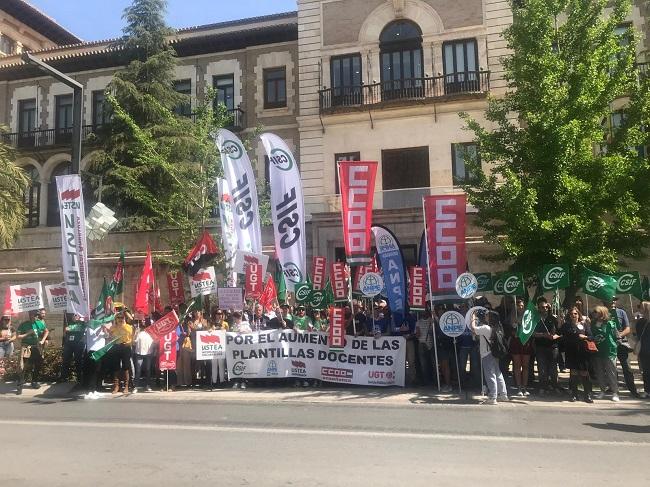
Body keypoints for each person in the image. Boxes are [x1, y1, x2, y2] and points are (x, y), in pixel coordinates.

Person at [469, 309, 508, 404]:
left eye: (487, 315)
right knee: (498, 374)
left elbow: (473, 328)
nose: (485, 316)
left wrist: (473, 319)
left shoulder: (486, 328)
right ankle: (503, 395)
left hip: (487, 354)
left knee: (490, 375)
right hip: (495, 353)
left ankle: (492, 397)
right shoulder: (498, 328)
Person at [606, 297, 639, 397]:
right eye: (610, 300)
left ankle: (632, 390)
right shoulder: (603, 312)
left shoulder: (621, 312)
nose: (612, 302)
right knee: (612, 368)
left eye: (614, 300)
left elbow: (628, 328)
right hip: (609, 344)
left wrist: (619, 335)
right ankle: (613, 388)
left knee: (627, 368)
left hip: (622, 343)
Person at [560, 307, 594, 403]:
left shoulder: (584, 325)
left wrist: (585, 336)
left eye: (575, 314)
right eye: (572, 314)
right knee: (573, 373)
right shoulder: (566, 325)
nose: (573, 315)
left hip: (583, 351)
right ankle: (574, 394)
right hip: (571, 351)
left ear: (578, 314)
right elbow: (561, 334)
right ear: (569, 315)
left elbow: (591, 337)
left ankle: (587, 395)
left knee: (584, 373)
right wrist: (560, 323)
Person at [15, 309, 49, 394]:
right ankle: (20, 384)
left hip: (36, 347)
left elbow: (46, 331)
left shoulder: (40, 323)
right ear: (30, 315)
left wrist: (43, 340)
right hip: (26, 347)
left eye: (37, 315)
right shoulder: (24, 324)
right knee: (22, 365)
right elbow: (18, 337)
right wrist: (28, 333)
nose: (36, 316)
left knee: (38, 364)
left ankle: (34, 381)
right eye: (34, 315)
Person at [590, 306, 620, 401]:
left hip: (609, 351)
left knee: (611, 372)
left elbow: (617, 336)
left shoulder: (610, 324)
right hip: (597, 351)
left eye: (596, 311)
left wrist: (615, 346)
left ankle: (615, 392)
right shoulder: (593, 323)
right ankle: (602, 390)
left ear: (602, 313)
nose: (594, 313)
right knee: (599, 372)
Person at [532, 296, 561, 395]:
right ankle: (542, 387)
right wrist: (543, 335)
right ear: (538, 308)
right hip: (540, 347)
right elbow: (532, 333)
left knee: (553, 369)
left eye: (545, 307)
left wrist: (554, 337)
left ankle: (555, 386)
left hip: (553, 347)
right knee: (542, 369)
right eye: (541, 307)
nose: (543, 309)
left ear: (548, 307)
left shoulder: (553, 318)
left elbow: (560, 332)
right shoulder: (535, 319)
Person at [509, 298, 533, 397]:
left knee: (526, 366)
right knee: (517, 365)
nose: (520, 307)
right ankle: (519, 387)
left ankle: (524, 387)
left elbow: (531, 330)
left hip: (526, 343)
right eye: (519, 306)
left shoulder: (528, 318)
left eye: (522, 306)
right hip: (516, 343)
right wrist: (514, 327)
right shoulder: (512, 317)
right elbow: (510, 331)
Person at [108, 312, 133, 394]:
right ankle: (116, 386)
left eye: (122, 317)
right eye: (118, 317)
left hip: (126, 347)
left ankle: (126, 386)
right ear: (116, 319)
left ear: (124, 319)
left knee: (126, 366)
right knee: (115, 366)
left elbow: (133, 338)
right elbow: (109, 338)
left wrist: (130, 343)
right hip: (116, 347)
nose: (120, 319)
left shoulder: (129, 327)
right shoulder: (112, 327)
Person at [82, 320, 108, 396]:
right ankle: (90, 391)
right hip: (93, 351)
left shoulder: (102, 328)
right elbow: (95, 335)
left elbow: (106, 336)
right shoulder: (89, 328)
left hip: (100, 352)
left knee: (97, 371)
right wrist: (101, 328)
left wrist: (105, 330)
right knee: (92, 372)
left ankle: (94, 389)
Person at [59, 313, 86, 384]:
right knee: (65, 361)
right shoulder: (69, 323)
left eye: (76, 315)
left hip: (78, 344)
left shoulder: (82, 323)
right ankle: (63, 377)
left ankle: (79, 378)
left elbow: (81, 330)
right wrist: (65, 330)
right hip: (69, 344)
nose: (74, 316)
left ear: (79, 316)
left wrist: (71, 329)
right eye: (73, 315)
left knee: (78, 361)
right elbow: (64, 334)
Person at [231, 311, 251, 389]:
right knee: (236, 364)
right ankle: (236, 381)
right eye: (235, 318)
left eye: (236, 318)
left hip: (244, 347)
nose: (236, 320)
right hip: (236, 348)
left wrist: (244, 332)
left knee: (243, 364)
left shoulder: (246, 324)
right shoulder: (234, 325)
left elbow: (250, 332)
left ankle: (243, 381)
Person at [133, 321, 155, 392]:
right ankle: (136, 386)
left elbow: (155, 342)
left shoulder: (151, 333)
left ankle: (148, 385)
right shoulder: (139, 333)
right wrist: (135, 333)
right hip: (139, 354)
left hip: (148, 354)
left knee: (148, 370)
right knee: (138, 371)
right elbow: (134, 341)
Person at [634, 302, 650, 398]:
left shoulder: (640, 322)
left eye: (640, 307)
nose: (639, 309)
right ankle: (647, 390)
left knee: (646, 371)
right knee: (646, 371)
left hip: (644, 350)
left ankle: (647, 390)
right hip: (644, 350)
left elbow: (636, 334)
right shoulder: (640, 322)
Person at [210, 310, 229, 388]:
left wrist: (223, 330)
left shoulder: (225, 324)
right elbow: (207, 332)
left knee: (221, 365)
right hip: (213, 347)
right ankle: (214, 382)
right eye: (217, 313)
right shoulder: (211, 324)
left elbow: (228, 333)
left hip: (222, 347)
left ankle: (222, 381)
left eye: (221, 314)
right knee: (214, 365)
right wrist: (210, 330)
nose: (219, 315)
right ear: (215, 315)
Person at [414, 310, 434, 385]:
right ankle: (426, 380)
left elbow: (432, 332)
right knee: (423, 364)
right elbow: (417, 334)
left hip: (431, 344)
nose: (424, 313)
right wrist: (417, 333)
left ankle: (434, 379)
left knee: (432, 363)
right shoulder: (418, 322)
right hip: (421, 344)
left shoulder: (431, 320)